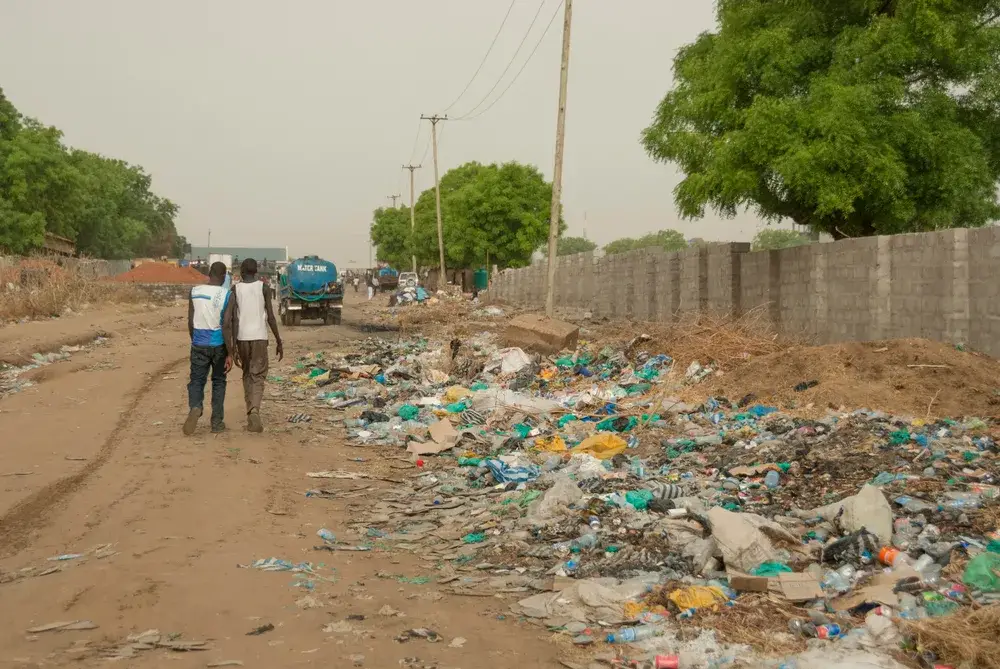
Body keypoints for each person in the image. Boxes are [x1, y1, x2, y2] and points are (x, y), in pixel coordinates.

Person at [223, 258, 283, 433]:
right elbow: (270, 316)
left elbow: (231, 319)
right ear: (256, 271)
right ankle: (254, 409)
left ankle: (251, 412)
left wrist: (232, 346)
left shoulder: (235, 289)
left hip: (242, 338)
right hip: (259, 337)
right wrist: (278, 340)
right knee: (258, 375)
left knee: (247, 373)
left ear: (241, 271)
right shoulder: (263, 288)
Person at [184, 262, 232, 435]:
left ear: (209, 274)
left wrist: (195, 340)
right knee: (218, 382)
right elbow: (226, 325)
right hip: (218, 344)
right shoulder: (227, 294)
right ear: (224, 276)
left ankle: (195, 406)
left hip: (198, 342)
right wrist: (230, 352)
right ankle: (217, 423)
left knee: (196, 380)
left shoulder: (194, 291)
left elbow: (190, 321)